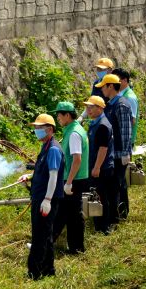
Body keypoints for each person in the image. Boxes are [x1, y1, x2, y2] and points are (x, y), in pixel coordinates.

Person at [18, 114, 65, 280]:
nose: (36, 131)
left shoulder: (53, 149)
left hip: (47, 199)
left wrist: (47, 200)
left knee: (39, 236)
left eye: (39, 128)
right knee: (46, 234)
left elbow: (53, 176)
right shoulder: (45, 147)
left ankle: (34, 274)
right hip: (41, 197)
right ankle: (48, 270)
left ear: (50, 129)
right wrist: (29, 177)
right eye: (35, 128)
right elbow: (43, 171)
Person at [95, 74, 132, 221]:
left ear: (110, 86)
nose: (102, 90)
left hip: (118, 153)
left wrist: (124, 154)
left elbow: (125, 131)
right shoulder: (110, 104)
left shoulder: (121, 105)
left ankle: (118, 217)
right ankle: (115, 215)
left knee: (118, 185)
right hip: (111, 153)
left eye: (103, 86)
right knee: (113, 186)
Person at [52, 102, 88, 253]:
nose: (58, 118)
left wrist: (68, 182)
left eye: (59, 115)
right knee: (72, 214)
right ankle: (76, 248)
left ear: (67, 115)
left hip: (74, 179)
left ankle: (46, 243)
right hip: (76, 178)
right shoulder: (74, 128)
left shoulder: (74, 133)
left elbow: (77, 159)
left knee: (64, 213)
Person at [84, 96, 116, 234]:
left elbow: (103, 149)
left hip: (102, 167)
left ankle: (104, 227)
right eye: (87, 107)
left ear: (100, 108)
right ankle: (99, 224)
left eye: (91, 107)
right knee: (98, 195)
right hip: (97, 165)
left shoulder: (102, 125)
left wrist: (96, 167)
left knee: (101, 197)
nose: (88, 110)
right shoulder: (94, 122)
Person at [77, 57, 115, 123]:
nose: (99, 71)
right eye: (98, 69)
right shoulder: (96, 83)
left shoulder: (114, 85)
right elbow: (92, 102)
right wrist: (82, 117)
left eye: (101, 69)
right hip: (98, 119)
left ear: (110, 70)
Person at [113, 68, 139, 148]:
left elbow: (132, 120)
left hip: (125, 140)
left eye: (116, 80)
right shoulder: (119, 94)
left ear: (124, 80)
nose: (114, 83)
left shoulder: (129, 97)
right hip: (118, 138)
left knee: (124, 160)